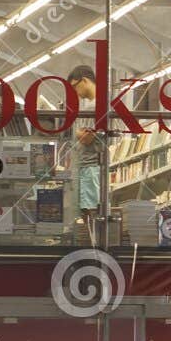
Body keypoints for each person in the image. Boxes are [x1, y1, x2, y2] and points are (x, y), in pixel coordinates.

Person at [67, 64, 103, 244]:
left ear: (85, 80)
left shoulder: (98, 105)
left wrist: (78, 133)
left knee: (91, 210)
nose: (75, 91)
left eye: (75, 86)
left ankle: (95, 246)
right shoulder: (88, 106)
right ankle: (92, 244)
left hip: (91, 165)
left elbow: (86, 137)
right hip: (84, 166)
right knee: (85, 210)